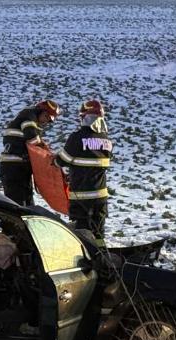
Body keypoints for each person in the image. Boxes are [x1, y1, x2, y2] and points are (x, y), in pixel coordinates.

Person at [55, 100, 113, 247]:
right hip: (101, 196)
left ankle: (85, 256)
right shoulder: (106, 140)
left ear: (84, 118)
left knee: (81, 231)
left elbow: (62, 160)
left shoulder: (77, 137)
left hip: (81, 196)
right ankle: (101, 253)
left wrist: (53, 160)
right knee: (99, 230)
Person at [0, 100, 60, 206]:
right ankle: (10, 222)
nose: (46, 122)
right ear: (40, 111)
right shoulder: (28, 116)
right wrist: (46, 152)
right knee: (16, 205)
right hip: (13, 167)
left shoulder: (29, 118)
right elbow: (32, 139)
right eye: (46, 117)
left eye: (49, 120)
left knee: (27, 204)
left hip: (20, 167)